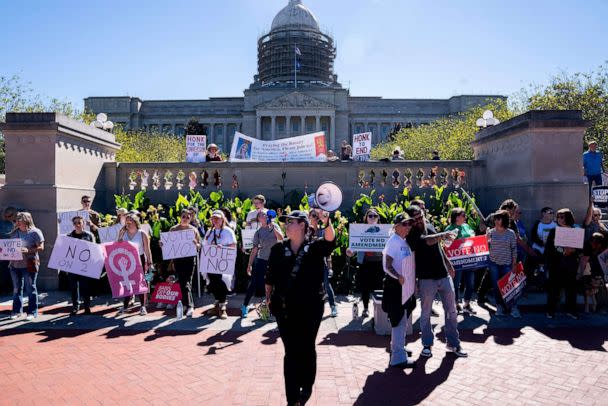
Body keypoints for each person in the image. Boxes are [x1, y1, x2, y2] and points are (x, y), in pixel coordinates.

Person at [265, 210, 335, 405]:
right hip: (284, 308)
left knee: (306, 347)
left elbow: (330, 241)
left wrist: (326, 221)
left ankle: (306, 385)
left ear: (302, 225)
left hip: (311, 308)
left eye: (291, 222)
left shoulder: (314, 248)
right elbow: (269, 277)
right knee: (291, 351)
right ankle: (293, 397)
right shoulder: (278, 249)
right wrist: (268, 298)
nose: (286, 226)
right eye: (286, 223)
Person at [405, 205, 467, 358]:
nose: (420, 220)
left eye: (421, 216)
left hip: (443, 275)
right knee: (426, 314)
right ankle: (427, 344)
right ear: (411, 221)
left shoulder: (430, 224)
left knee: (452, 311)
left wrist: (448, 263)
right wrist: (443, 234)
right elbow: (428, 241)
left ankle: (453, 344)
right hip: (426, 279)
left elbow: (438, 247)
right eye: (416, 219)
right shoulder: (412, 234)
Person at [382, 212, 417, 369]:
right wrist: (398, 277)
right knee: (399, 321)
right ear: (396, 226)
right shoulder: (393, 242)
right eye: (404, 224)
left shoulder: (403, 241)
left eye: (410, 224)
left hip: (404, 287)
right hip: (395, 287)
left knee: (403, 319)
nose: (408, 227)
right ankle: (397, 357)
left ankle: (399, 348)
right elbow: (386, 265)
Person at [242, 210, 283, 317]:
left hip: (275, 260)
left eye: (266, 214)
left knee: (276, 284)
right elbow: (254, 250)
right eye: (262, 215)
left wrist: (273, 227)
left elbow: (281, 238)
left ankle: (275, 308)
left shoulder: (275, 226)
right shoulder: (258, 232)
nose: (265, 216)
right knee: (254, 283)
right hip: (262, 260)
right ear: (259, 219)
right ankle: (245, 306)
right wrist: (249, 264)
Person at [346, 209, 384, 318]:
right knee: (365, 287)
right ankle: (366, 309)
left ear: (378, 218)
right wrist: (350, 252)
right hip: (365, 263)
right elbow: (354, 246)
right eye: (370, 216)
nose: (372, 218)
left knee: (379, 287)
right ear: (366, 218)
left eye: (375, 216)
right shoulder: (360, 230)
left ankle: (379, 311)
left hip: (379, 263)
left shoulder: (385, 231)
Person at [544, 208, 581, 319]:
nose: (559, 219)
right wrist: (561, 251)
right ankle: (550, 311)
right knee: (554, 290)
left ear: (568, 217)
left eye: (562, 217)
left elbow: (580, 249)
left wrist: (573, 250)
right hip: (556, 265)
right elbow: (548, 249)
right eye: (558, 217)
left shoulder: (576, 230)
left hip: (570, 265)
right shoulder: (554, 231)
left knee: (571, 289)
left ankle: (571, 311)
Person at [9, 212, 45, 320]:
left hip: (29, 264)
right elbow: (10, 246)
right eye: (17, 220)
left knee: (30, 289)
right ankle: (16, 311)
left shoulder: (35, 232)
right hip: (14, 265)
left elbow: (41, 247)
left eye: (20, 220)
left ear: (27, 220)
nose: (18, 222)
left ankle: (32, 312)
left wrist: (29, 250)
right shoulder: (14, 232)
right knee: (16, 289)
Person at [165, 209, 201, 318]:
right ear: (180, 217)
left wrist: (196, 244)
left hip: (190, 259)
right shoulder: (173, 229)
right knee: (182, 282)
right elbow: (168, 245)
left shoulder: (193, 230)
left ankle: (189, 305)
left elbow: (199, 246)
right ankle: (187, 305)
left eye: (187, 217)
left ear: (190, 219)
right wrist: (163, 244)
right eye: (183, 216)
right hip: (178, 259)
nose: (185, 219)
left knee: (187, 282)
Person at [203, 210, 237, 319]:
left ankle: (222, 306)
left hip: (223, 262)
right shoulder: (209, 232)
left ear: (223, 219)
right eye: (214, 218)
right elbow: (205, 246)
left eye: (218, 218)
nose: (216, 220)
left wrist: (223, 247)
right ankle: (217, 303)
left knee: (221, 282)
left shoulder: (228, 231)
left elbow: (233, 245)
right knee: (212, 282)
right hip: (211, 263)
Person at [117, 213, 153, 316]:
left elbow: (147, 249)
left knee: (140, 283)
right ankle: (125, 306)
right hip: (126, 261)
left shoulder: (142, 233)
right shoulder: (124, 233)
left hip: (139, 260)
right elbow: (118, 246)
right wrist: (120, 235)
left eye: (130, 220)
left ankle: (142, 306)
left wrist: (149, 262)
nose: (128, 222)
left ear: (135, 222)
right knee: (127, 283)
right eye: (126, 220)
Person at [486, 210, 520, 318]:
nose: (496, 221)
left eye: (498, 219)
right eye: (495, 219)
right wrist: (486, 239)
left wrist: (514, 264)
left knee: (509, 287)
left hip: (507, 263)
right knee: (496, 287)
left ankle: (513, 307)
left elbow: (514, 249)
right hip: (493, 263)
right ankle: (499, 306)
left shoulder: (511, 233)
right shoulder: (491, 232)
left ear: (504, 220)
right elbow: (485, 247)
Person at [445, 208, 477, 314]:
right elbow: (446, 245)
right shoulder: (449, 228)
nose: (465, 217)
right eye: (463, 215)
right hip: (456, 262)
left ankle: (467, 304)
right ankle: (456, 304)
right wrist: (458, 241)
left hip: (469, 260)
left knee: (471, 283)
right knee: (455, 284)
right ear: (457, 217)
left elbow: (474, 238)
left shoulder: (466, 226)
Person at [309, 208, 338, 317]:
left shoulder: (323, 231)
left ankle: (333, 306)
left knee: (326, 284)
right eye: (313, 215)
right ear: (309, 217)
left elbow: (328, 251)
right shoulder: (304, 232)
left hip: (321, 263)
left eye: (317, 216)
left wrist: (330, 267)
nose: (315, 217)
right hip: (307, 265)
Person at [67, 216, 96, 315]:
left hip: (85, 266)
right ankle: (75, 307)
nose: (77, 225)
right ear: (73, 225)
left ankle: (87, 307)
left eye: (79, 223)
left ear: (83, 223)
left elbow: (94, 250)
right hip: (72, 266)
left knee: (85, 287)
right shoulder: (69, 236)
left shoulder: (89, 236)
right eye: (75, 223)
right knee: (74, 287)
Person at [529, 207, 557, 287]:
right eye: (549, 212)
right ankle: (536, 283)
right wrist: (542, 243)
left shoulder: (555, 224)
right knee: (537, 266)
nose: (552, 214)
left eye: (552, 212)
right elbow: (533, 236)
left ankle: (547, 283)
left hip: (550, 250)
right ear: (543, 213)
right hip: (538, 249)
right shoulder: (538, 223)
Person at [0, 207, 17, 294]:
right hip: (3, 251)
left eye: (9, 215)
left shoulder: (18, 224)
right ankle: (4, 288)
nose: (7, 217)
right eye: (6, 216)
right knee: (4, 269)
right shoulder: (2, 224)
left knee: (14, 269)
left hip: (15, 252)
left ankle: (12, 287)